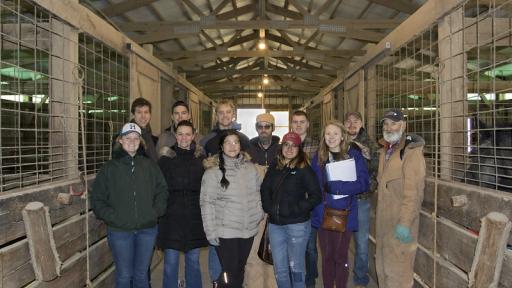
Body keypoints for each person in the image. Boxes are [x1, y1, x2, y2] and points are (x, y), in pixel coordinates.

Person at [91, 122, 168, 288]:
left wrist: (154, 212)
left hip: (147, 230)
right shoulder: (109, 168)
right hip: (120, 231)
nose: (132, 141)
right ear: (120, 140)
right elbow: (97, 198)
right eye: (128, 138)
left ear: (141, 141)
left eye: (136, 138)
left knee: (141, 275)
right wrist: (113, 217)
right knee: (124, 275)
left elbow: (162, 190)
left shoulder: (149, 166)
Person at [200, 130, 264, 288]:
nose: (232, 146)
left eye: (235, 142)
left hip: (247, 230)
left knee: (239, 270)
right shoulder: (212, 173)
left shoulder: (251, 169)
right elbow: (207, 203)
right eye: (227, 142)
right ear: (221, 146)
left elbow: (258, 193)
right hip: (225, 231)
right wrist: (211, 231)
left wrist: (258, 213)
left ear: (240, 145)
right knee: (230, 271)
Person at [310, 120, 369, 288]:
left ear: (343, 136)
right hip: (323, 213)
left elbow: (363, 183)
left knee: (341, 256)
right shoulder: (319, 157)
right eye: (327, 133)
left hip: (345, 213)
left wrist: (337, 187)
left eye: (335, 133)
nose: (331, 137)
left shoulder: (353, 156)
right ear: (323, 137)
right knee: (327, 255)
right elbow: (312, 183)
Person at [261, 132, 322, 288]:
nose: (289, 149)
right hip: (276, 226)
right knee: (280, 270)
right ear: (282, 147)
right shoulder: (275, 166)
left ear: (299, 149)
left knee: (296, 268)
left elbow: (316, 196)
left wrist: (296, 209)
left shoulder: (304, 169)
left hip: (297, 225)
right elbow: (264, 188)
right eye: (286, 145)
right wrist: (268, 207)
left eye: (294, 146)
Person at [200, 99, 251, 284]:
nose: (224, 116)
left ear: (233, 114)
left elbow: (248, 168)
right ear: (216, 115)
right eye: (220, 112)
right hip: (217, 205)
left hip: (236, 209)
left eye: (228, 112)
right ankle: (216, 282)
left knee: (236, 260)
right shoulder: (206, 140)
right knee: (216, 249)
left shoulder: (243, 139)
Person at [375, 109, 425, 288]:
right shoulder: (384, 151)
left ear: (403, 125)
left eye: (394, 123)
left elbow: (414, 192)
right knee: (383, 270)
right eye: (386, 124)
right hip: (384, 223)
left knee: (399, 274)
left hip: (400, 224)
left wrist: (405, 223)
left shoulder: (411, 152)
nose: (389, 128)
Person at [157, 120, 208, 288]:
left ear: (193, 136)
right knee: (170, 262)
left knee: (193, 261)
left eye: (188, 134)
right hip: (171, 217)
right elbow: (159, 188)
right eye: (180, 134)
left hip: (194, 217)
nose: (184, 138)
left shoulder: (201, 159)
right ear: (175, 136)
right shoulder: (165, 159)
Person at [343, 112, 380, 288]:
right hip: (341, 199)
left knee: (361, 242)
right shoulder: (338, 140)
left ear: (361, 123)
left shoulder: (370, 144)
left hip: (361, 200)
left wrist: (367, 188)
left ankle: (360, 278)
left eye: (355, 121)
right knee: (340, 239)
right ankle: (339, 274)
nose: (352, 124)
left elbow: (377, 170)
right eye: (348, 122)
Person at [245, 113, 280, 288]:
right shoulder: (248, 151)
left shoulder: (282, 150)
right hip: (254, 208)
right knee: (253, 250)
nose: (264, 130)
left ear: (273, 128)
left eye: (267, 126)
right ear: (256, 128)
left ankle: (274, 284)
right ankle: (253, 284)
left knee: (274, 250)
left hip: (276, 208)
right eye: (260, 126)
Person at [290, 110, 319, 288]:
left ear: (308, 124)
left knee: (310, 246)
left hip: (311, 202)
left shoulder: (317, 146)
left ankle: (310, 281)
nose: (299, 125)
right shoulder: (287, 144)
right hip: (291, 202)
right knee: (293, 246)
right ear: (291, 124)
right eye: (295, 122)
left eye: (302, 122)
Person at [130, 97, 159, 162]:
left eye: (146, 112)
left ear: (150, 115)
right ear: (133, 115)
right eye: (139, 112)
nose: (143, 116)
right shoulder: (128, 136)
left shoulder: (148, 134)